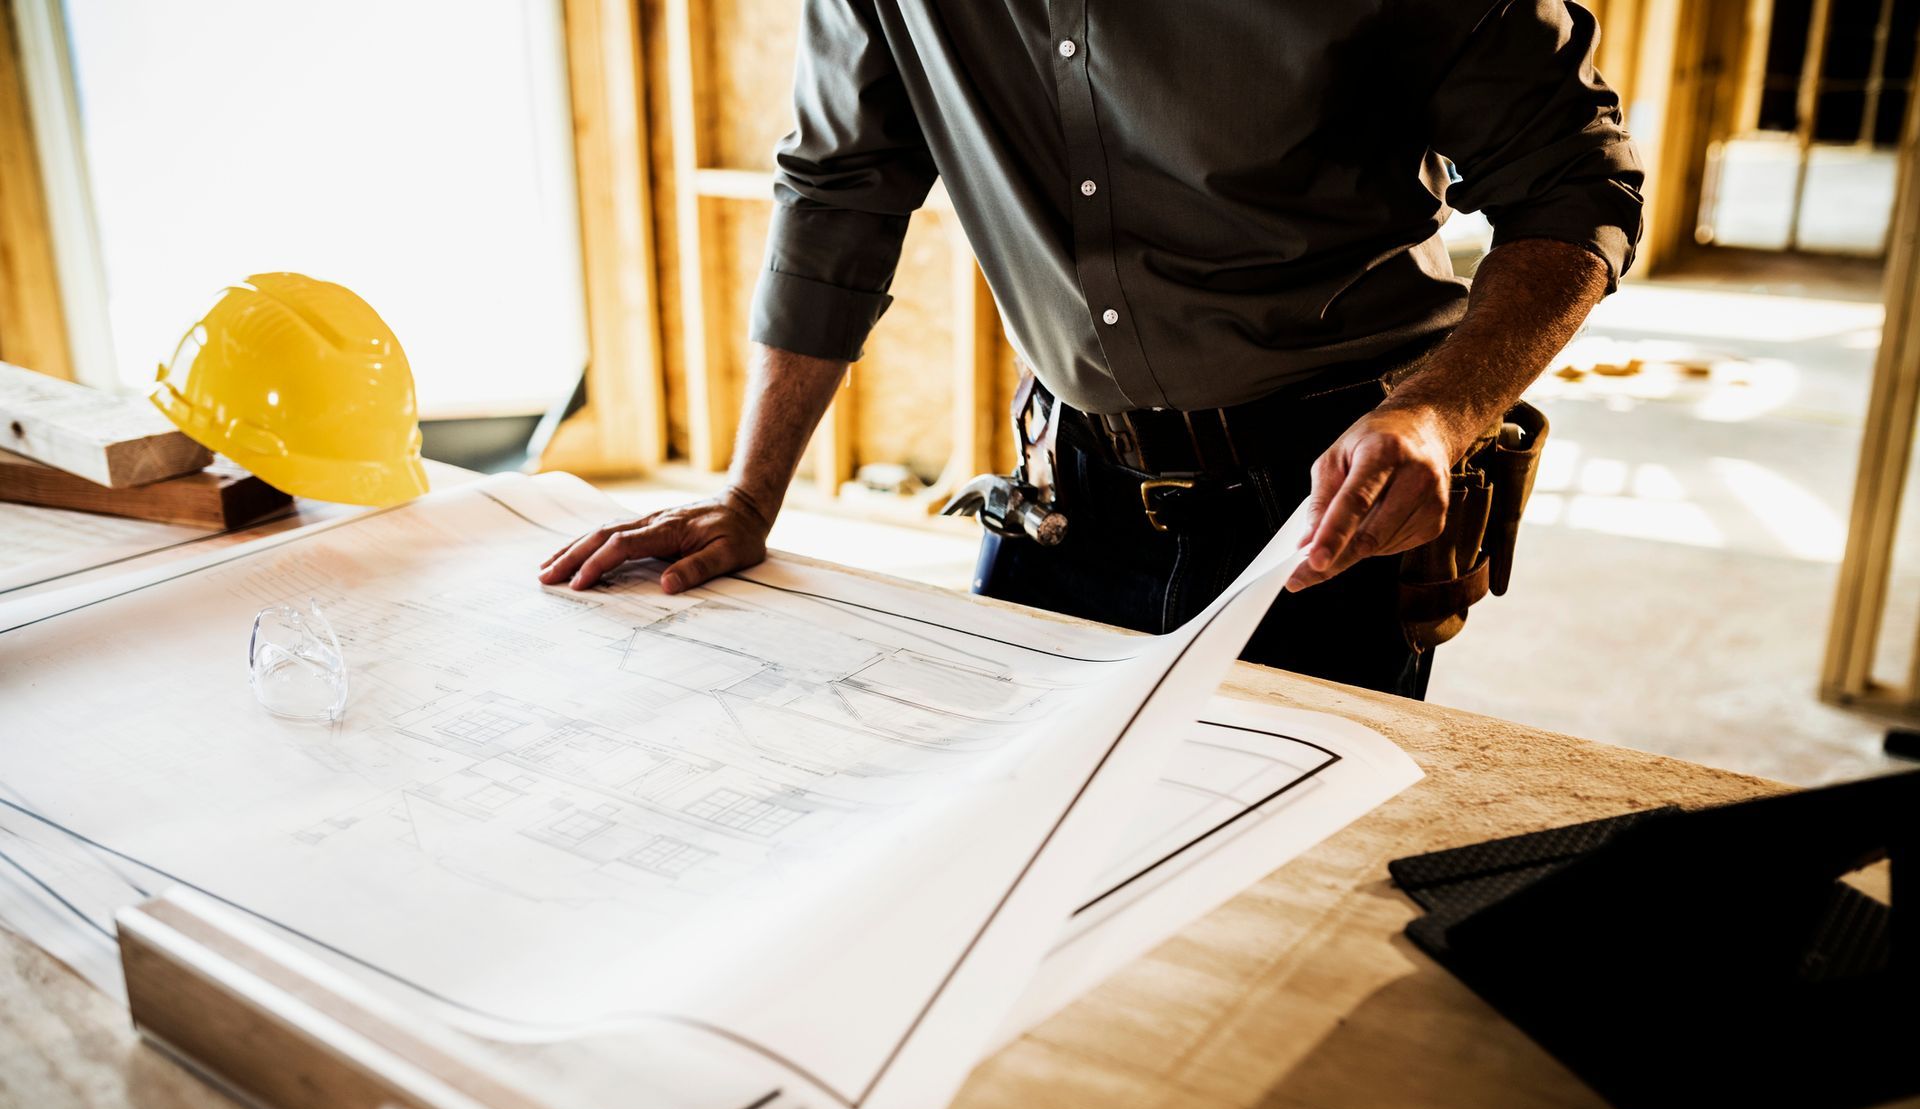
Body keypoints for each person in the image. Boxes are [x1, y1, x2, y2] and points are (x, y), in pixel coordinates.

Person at [540, 1, 1643, 699]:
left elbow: (1576, 183)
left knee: (1267, 875)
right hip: (1066, 481)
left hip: (1329, 489)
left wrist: (1443, 411)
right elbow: (841, 191)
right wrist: (749, 494)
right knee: (1012, 840)